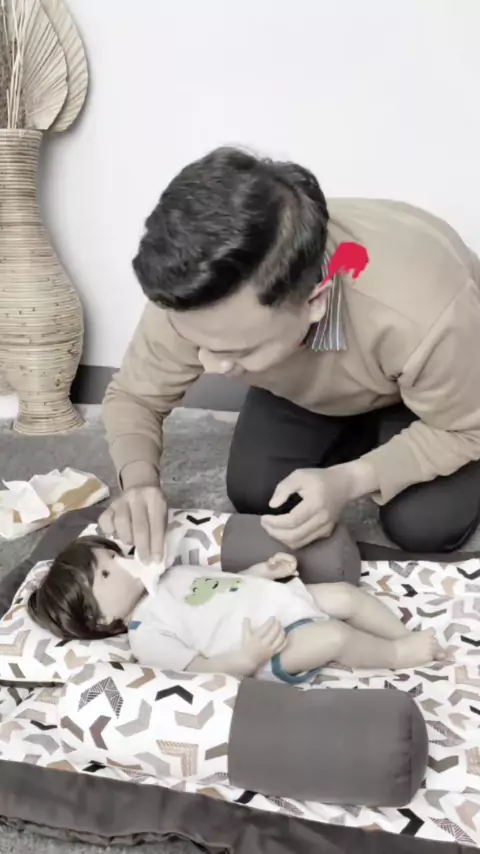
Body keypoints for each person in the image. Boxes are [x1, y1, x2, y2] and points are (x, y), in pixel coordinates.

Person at [101, 147, 480, 562]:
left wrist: (350, 480)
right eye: (196, 342)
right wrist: (138, 482)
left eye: (239, 350)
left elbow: (468, 428)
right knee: (261, 494)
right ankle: (359, 428)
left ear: (314, 302)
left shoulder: (424, 311)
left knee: (422, 524)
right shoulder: (197, 291)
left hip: (451, 394)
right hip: (344, 375)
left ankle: (384, 431)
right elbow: (133, 396)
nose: (210, 365)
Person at [27, 535, 444, 680]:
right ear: (102, 618)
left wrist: (261, 572)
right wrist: (248, 657)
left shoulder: (170, 576)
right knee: (334, 636)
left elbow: (224, 588)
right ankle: (396, 654)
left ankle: (403, 634)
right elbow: (203, 671)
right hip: (270, 645)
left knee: (345, 595)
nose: (120, 562)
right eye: (105, 573)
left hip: (279, 601)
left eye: (113, 554)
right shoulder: (147, 633)